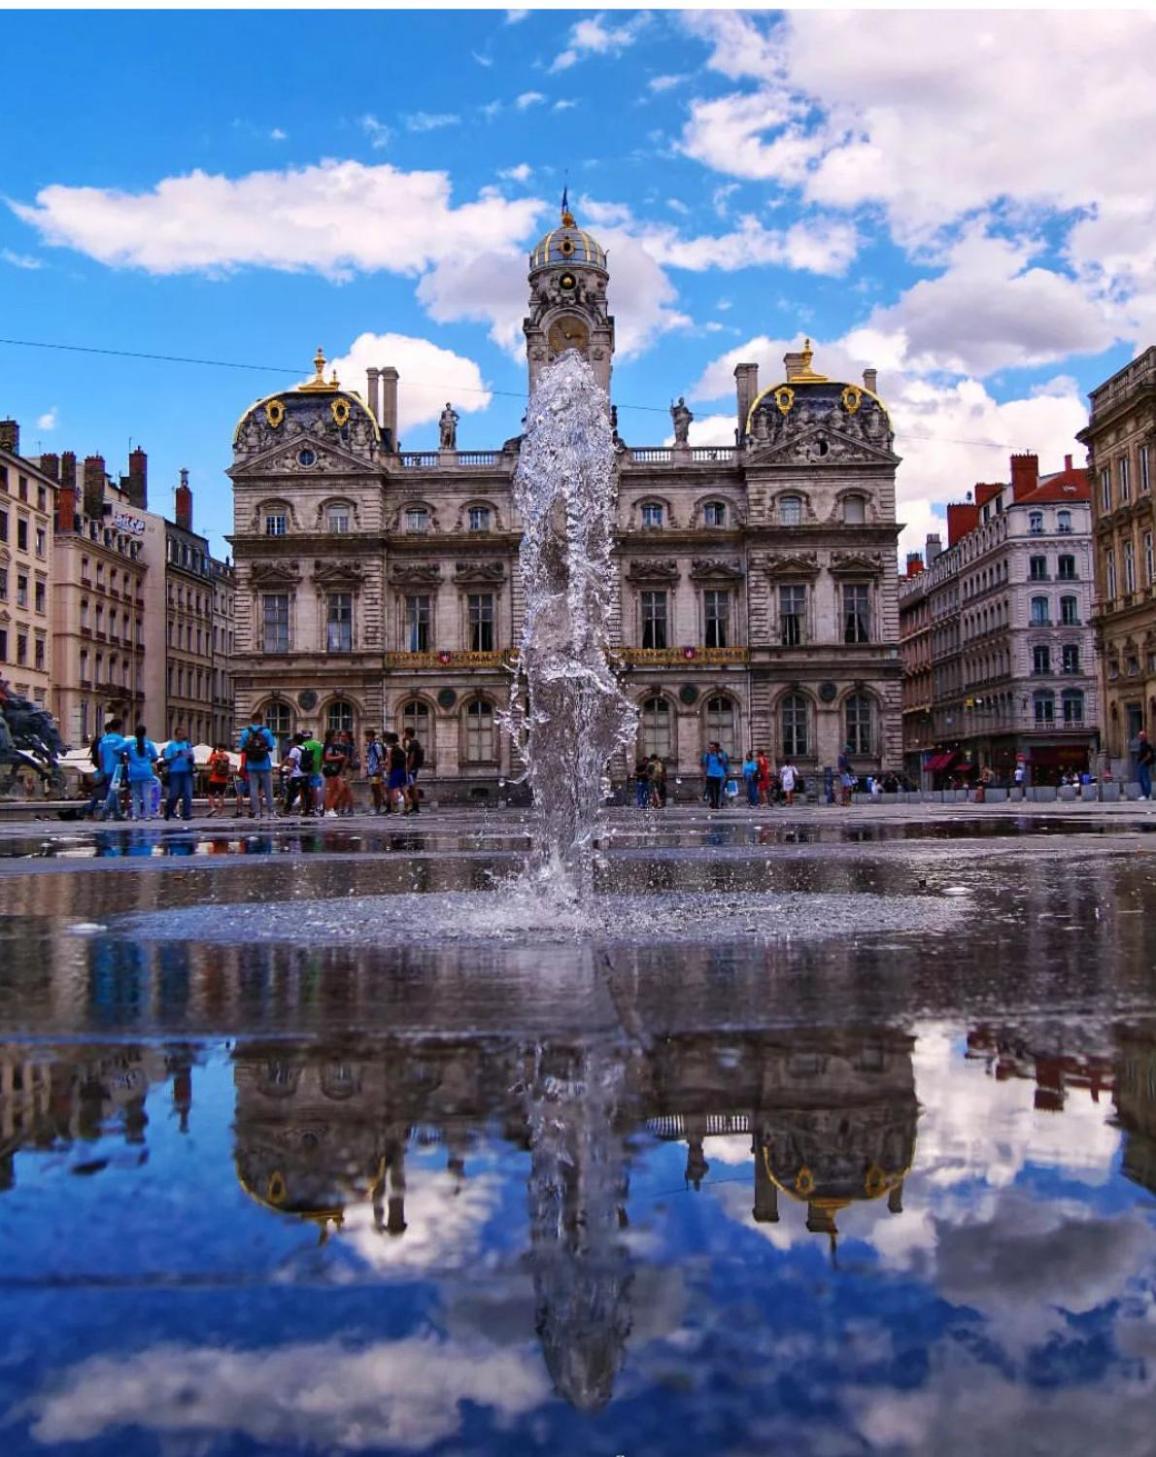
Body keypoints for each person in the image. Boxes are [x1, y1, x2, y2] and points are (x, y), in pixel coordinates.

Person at [241, 712, 276, 817]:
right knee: (268, 789)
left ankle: (256, 812)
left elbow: (243, 748)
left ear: (252, 720)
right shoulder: (266, 731)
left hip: (251, 764)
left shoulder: (245, 732)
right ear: (261, 720)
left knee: (253, 789)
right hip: (265, 764)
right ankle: (271, 811)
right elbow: (270, 747)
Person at [124, 724, 160, 820]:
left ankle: (135, 815)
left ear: (135, 733)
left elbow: (117, 749)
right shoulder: (149, 743)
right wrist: (148, 760)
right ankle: (147, 815)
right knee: (147, 795)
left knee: (135, 795)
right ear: (145, 733)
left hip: (134, 772)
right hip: (146, 772)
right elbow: (155, 757)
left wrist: (127, 756)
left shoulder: (129, 743)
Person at [96, 718, 128, 821]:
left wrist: (102, 768)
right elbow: (124, 753)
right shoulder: (120, 739)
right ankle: (104, 812)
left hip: (106, 768)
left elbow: (100, 755)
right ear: (119, 727)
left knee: (114, 790)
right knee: (113, 791)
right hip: (117, 767)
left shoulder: (104, 740)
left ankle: (117, 813)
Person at [163, 727, 196, 821]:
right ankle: (168, 810)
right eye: (179, 734)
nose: (181, 736)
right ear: (176, 735)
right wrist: (176, 755)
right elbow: (167, 759)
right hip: (175, 772)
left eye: (182, 734)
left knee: (187, 794)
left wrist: (190, 758)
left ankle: (186, 814)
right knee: (174, 794)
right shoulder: (171, 745)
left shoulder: (187, 745)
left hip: (187, 771)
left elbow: (192, 758)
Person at [281, 733, 309, 815]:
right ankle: (307, 810)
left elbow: (291, 763)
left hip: (296, 775)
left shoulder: (294, 750)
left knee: (292, 794)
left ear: (295, 741)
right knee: (306, 794)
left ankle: (286, 810)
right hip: (305, 774)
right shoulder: (306, 748)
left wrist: (290, 774)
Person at [321, 730, 348, 817]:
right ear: (331, 736)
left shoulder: (334, 746)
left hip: (335, 770)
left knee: (341, 788)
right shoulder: (329, 745)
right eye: (336, 735)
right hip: (330, 770)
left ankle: (330, 807)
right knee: (331, 790)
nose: (337, 737)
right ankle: (328, 809)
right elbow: (327, 757)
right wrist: (339, 757)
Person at [301, 727, 325, 815]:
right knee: (316, 788)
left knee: (305, 790)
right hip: (316, 769)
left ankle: (305, 808)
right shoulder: (318, 744)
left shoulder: (303, 744)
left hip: (305, 770)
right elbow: (321, 758)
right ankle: (317, 807)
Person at [701, 740, 729, 811]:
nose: (711, 748)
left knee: (717, 790)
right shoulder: (707, 755)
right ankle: (713, 802)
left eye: (712, 747)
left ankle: (717, 803)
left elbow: (724, 762)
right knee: (710, 790)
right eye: (710, 747)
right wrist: (704, 774)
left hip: (719, 774)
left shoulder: (720, 754)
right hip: (710, 774)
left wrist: (719, 756)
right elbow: (704, 764)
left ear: (716, 748)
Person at [384, 731, 408, 814]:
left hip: (395, 771)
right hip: (402, 770)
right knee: (403, 790)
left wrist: (388, 771)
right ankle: (407, 808)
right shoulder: (401, 750)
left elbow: (390, 761)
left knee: (394, 789)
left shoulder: (390, 750)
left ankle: (395, 808)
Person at [403, 725, 425, 814]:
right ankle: (415, 807)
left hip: (412, 768)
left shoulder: (412, 744)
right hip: (415, 767)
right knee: (412, 786)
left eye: (405, 733)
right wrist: (404, 742)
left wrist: (408, 768)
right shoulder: (416, 743)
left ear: (408, 734)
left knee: (413, 787)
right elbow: (407, 751)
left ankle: (416, 807)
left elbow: (411, 756)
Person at [206, 744, 232, 817]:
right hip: (224, 780)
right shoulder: (227, 757)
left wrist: (212, 754)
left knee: (210, 794)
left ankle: (213, 807)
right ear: (224, 749)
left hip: (214, 779)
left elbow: (207, 763)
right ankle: (220, 814)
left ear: (218, 748)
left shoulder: (214, 756)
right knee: (221, 796)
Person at [365, 729, 385, 814]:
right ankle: (376, 806)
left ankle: (378, 807)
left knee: (377, 789)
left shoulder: (376, 745)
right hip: (371, 770)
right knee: (373, 788)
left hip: (375, 770)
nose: (367, 738)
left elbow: (380, 758)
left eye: (368, 736)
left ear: (372, 736)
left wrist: (379, 769)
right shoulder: (369, 745)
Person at [1137, 730, 1154, 800]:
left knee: (1144, 779)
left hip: (1144, 764)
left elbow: (1149, 755)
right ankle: (1147, 794)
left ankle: (1146, 795)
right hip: (1142, 763)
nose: (1139, 737)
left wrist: (1142, 762)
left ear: (1143, 737)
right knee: (1143, 779)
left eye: (1140, 736)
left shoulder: (1146, 744)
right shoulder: (1141, 744)